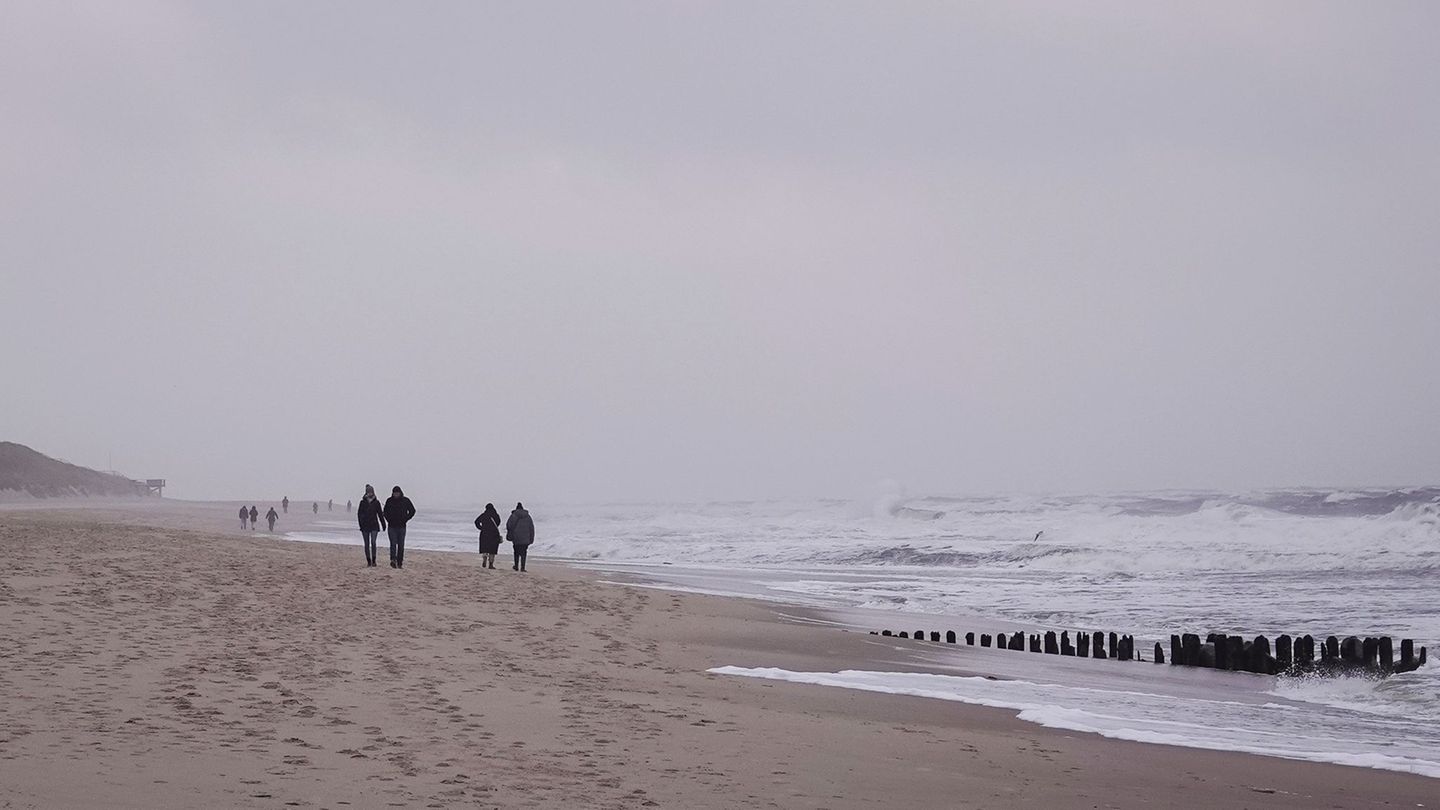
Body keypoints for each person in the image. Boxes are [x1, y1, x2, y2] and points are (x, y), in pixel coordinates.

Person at [383, 486, 416, 569]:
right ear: (392, 493)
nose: (396, 494)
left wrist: (406, 518)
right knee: (393, 544)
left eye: (397, 493)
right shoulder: (389, 501)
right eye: (394, 493)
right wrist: (388, 519)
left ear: (400, 492)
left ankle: (400, 562)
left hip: (402, 526)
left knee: (401, 545)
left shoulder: (405, 500)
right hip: (392, 526)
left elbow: (412, 510)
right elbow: (385, 512)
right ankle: (393, 560)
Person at [356, 484, 386, 567]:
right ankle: (368, 560)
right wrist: (361, 524)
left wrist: (383, 524)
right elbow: (359, 514)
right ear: (366, 493)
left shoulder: (376, 502)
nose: (370, 493)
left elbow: (380, 514)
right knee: (366, 543)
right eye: (368, 492)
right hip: (365, 526)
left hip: (374, 525)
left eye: (371, 492)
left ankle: (374, 560)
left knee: (373, 542)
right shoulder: (362, 502)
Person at [505, 502, 534, 572]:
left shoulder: (513, 516)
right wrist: (531, 539)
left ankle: (516, 566)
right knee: (524, 552)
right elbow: (531, 528)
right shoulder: (528, 516)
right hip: (525, 538)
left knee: (516, 552)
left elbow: (508, 525)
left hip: (516, 537)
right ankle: (523, 567)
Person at [474, 503, 502, 569]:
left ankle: (484, 560)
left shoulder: (483, 515)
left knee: (485, 548)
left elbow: (476, 521)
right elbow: (498, 523)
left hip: (484, 533)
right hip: (494, 534)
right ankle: (491, 564)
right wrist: (493, 528)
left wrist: (481, 528)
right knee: (492, 550)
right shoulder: (496, 515)